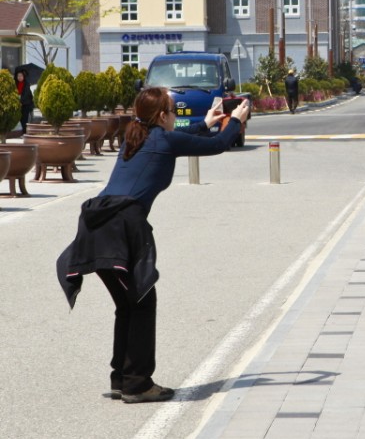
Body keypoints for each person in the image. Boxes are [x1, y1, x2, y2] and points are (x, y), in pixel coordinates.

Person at [56, 87, 250, 403]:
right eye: (173, 111)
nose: (176, 115)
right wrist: (236, 121)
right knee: (142, 302)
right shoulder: (162, 140)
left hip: (97, 223)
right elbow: (216, 145)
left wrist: (207, 121)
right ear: (162, 116)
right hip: (121, 226)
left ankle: (123, 378)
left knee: (129, 305)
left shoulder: (134, 138)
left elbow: (179, 138)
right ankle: (137, 384)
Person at [15, 67, 33, 133]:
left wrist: (20, 101)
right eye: (18, 76)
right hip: (18, 104)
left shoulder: (26, 84)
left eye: (21, 76)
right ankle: (23, 131)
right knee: (20, 119)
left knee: (24, 119)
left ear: (23, 76)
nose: (19, 77)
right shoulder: (16, 84)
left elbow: (26, 95)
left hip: (25, 104)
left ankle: (24, 132)